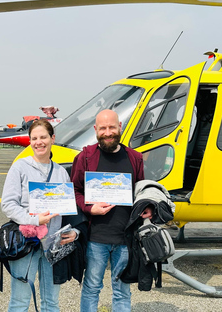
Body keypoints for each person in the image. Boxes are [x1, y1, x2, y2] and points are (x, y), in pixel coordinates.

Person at [1, 119, 81, 312]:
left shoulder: (61, 172)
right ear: (30, 141)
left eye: (43, 137)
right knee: (20, 301)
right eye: (34, 138)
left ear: (52, 138)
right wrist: (34, 220)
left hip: (53, 245)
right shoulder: (20, 167)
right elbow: (8, 204)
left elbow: (69, 210)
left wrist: (75, 232)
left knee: (51, 302)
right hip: (27, 244)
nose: (39, 142)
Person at [70, 109, 145, 312]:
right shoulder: (85, 157)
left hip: (124, 238)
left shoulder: (135, 158)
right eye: (103, 128)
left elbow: (140, 192)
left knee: (122, 291)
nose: (108, 132)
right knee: (92, 287)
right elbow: (74, 190)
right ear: (96, 130)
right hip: (96, 238)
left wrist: (145, 208)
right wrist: (89, 207)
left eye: (112, 127)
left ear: (120, 127)